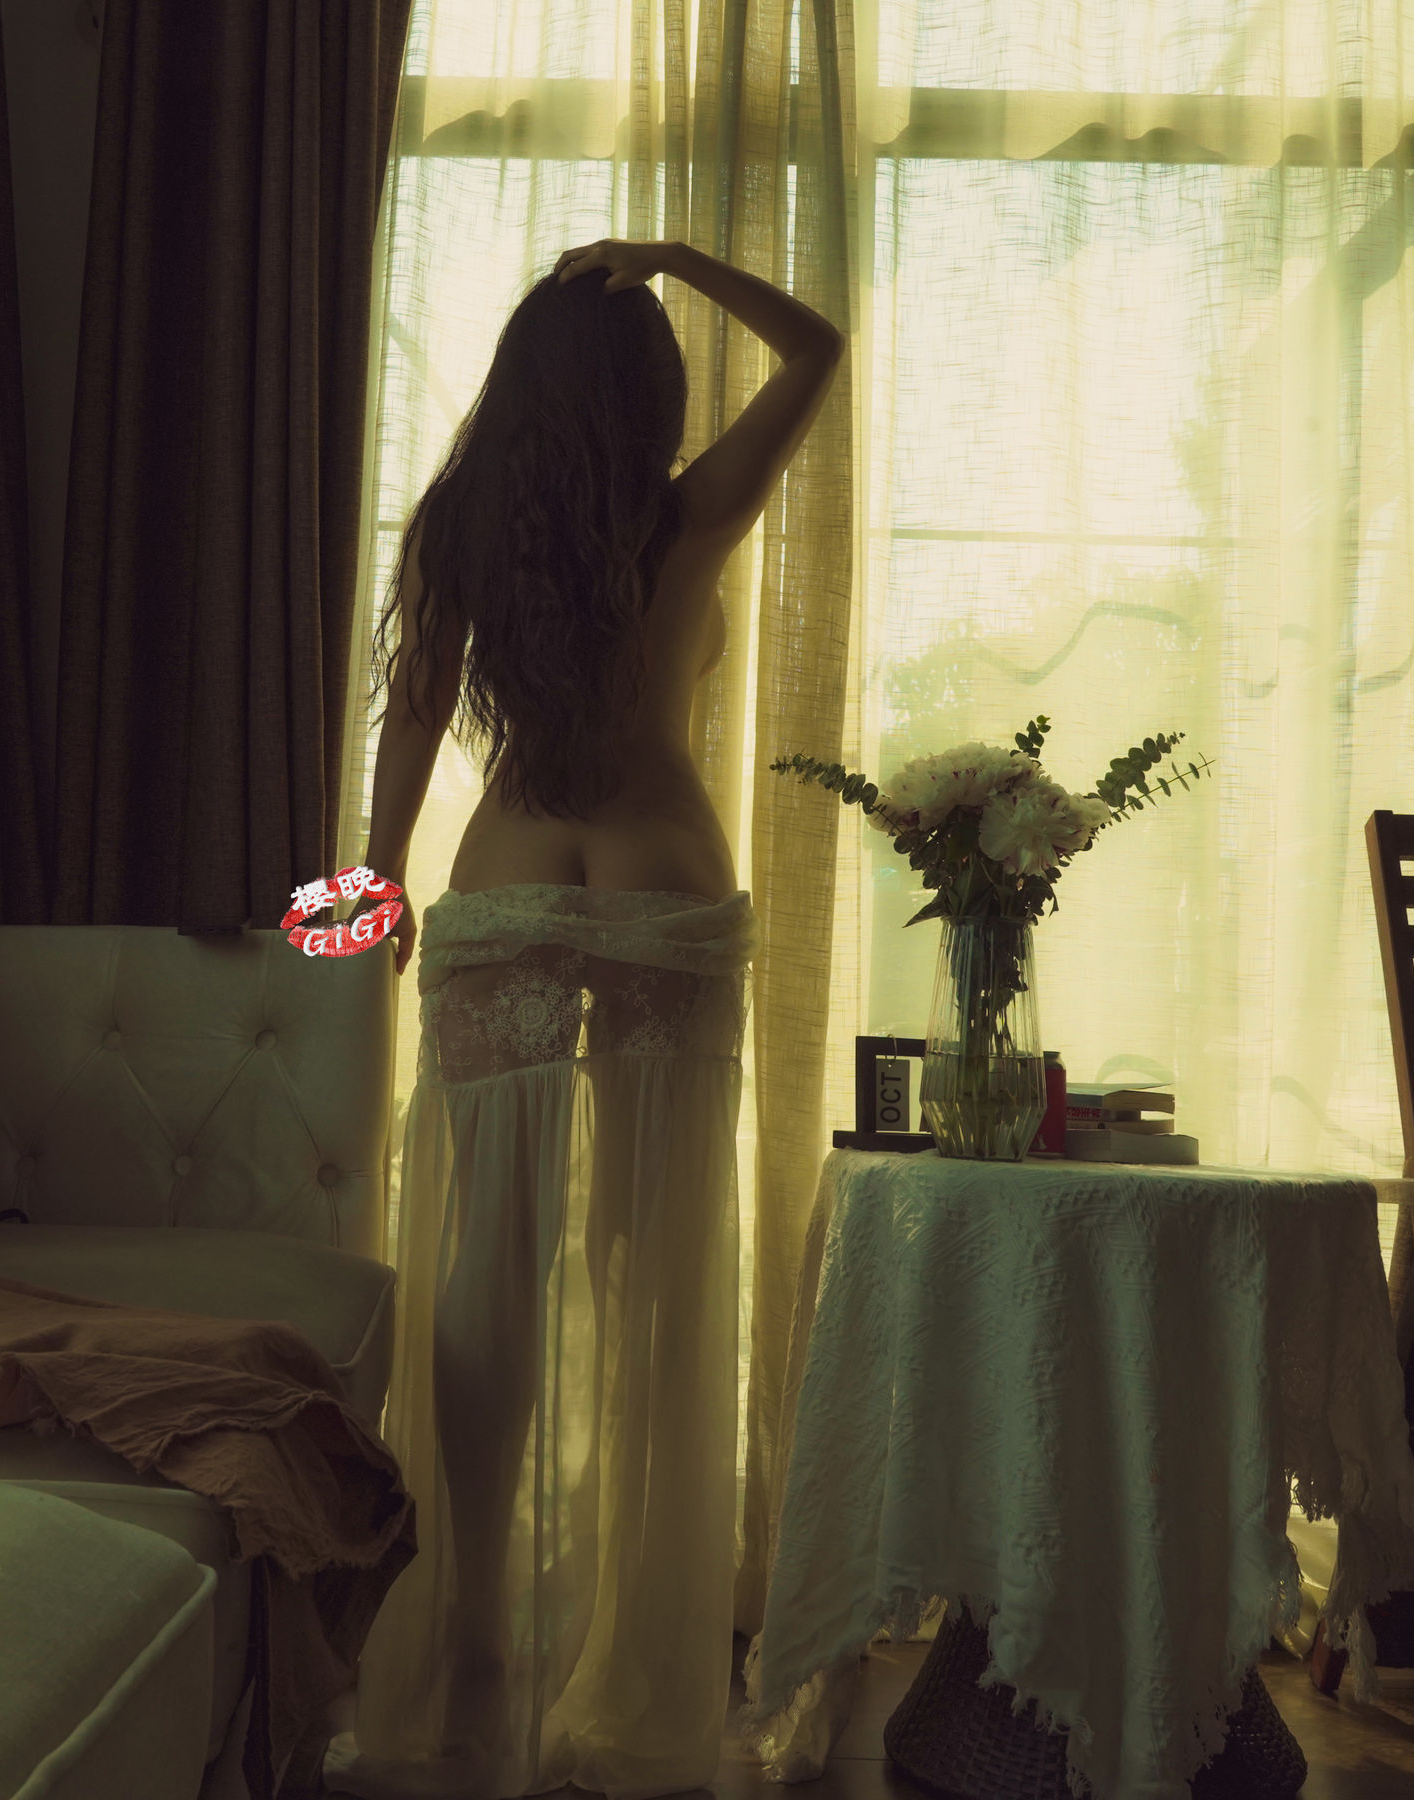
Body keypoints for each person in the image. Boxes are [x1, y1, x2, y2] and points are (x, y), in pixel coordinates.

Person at [323, 240, 843, 1800]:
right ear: (647, 397)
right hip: (663, 882)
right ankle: (634, 1653)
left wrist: (369, 900)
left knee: (488, 1268)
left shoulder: (459, 529)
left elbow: (410, 733)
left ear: (517, 386)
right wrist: (676, 258)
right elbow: (817, 349)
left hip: (506, 885)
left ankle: (481, 1633)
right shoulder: (686, 514)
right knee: (651, 1270)